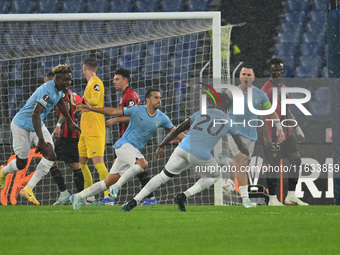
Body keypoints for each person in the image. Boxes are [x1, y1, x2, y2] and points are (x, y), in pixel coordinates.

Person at [120, 93, 250, 212]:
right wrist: (248, 155)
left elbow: (177, 130)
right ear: (228, 106)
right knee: (215, 175)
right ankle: (183, 196)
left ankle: (133, 201)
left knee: (162, 176)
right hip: (200, 154)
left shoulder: (200, 113)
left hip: (182, 148)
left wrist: (162, 145)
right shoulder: (230, 122)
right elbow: (240, 144)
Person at [69, 89, 184, 210]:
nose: (159, 100)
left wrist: (191, 142)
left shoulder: (162, 117)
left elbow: (176, 132)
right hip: (123, 145)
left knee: (107, 183)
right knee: (143, 164)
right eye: (156, 98)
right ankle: (117, 186)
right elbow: (114, 111)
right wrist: (92, 108)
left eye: (160, 98)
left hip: (131, 151)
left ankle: (78, 196)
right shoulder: (137, 110)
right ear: (148, 100)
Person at [0, 64, 80, 205]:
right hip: (22, 126)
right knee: (21, 163)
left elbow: (61, 104)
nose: (68, 83)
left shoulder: (60, 89)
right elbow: (35, 113)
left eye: (70, 80)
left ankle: (28, 188)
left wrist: (70, 121)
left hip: (37, 124)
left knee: (51, 155)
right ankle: (3, 171)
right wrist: (41, 140)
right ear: (58, 78)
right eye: (66, 80)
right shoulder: (46, 90)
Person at [225, 65, 285, 207]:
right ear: (240, 76)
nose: (246, 77)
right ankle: (245, 200)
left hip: (251, 136)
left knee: (243, 167)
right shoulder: (231, 93)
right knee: (241, 163)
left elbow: (271, 111)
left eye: (249, 75)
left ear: (253, 78)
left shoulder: (260, 95)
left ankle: (224, 160)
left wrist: (279, 128)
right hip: (234, 133)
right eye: (243, 74)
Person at [105, 69, 157, 205]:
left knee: (138, 168)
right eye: (113, 79)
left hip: (129, 139)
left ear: (125, 80)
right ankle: (110, 198)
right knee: (121, 169)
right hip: (124, 139)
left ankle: (150, 198)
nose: (114, 82)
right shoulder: (125, 95)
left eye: (117, 79)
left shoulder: (129, 95)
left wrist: (116, 119)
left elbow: (132, 116)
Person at [261, 58, 308, 206]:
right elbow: (262, 114)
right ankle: (273, 199)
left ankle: (291, 196)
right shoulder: (265, 90)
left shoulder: (284, 88)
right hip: (272, 134)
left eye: (280, 69)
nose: (278, 72)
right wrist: (266, 137)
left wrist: (297, 127)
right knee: (274, 166)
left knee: (296, 160)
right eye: (275, 69)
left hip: (286, 133)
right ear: (270, 71)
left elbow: (286, 110)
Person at [42, 71, 85, 205]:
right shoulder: (72, 93)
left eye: (47, 82)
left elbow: (65, 106)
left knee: (49, 160)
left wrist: (58, 126)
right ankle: (80, 197)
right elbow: (83, 103)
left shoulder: (63, 93)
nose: (46, 85)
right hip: (73, 135)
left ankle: (64, 193)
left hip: (67, 134)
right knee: (75, 166)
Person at [78, 58, 111, 204]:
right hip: (85, 131)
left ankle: (108, 196)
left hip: (95, 130)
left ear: (85, 68)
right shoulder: (90, 84)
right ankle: (89, 196)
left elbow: (95, 101)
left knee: (98, 163)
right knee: (82, 164)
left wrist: (81, 100)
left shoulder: (96, 82)